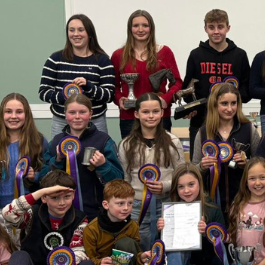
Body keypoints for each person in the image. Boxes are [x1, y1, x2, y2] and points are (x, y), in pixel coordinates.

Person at [153, 164, 226, 265]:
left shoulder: (213, 210)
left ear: (199, 183)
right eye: (181, 186)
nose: (186, 190)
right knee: (176, 249)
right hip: (176, 263)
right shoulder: (169, 210)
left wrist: (207, 234)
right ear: (176, 188)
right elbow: (161, 251)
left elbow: (221, 251)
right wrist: (162, 232)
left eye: (191, 184)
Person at [117, 93, 185, 250]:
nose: (151, 116)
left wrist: (165, 185)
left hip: (166, 202)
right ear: (136, 114)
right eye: (145, 112)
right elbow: (126, 178)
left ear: (162, 113)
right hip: (137, 205)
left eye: (155, 111)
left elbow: (181, 174)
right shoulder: (126, 144)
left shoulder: (173, 142)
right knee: (140, 246)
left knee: (169, 246)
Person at [183, 9, 252, 155]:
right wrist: (191, 107)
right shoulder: (196, 55)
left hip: (233, 124)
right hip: (200, 122)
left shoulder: (240, 55)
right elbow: (187, 88)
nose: (216, 31)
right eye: (211, 27)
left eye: (220, 27)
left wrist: (231, 103)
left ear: (228, 28)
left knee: (234, 163)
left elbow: (247, 90)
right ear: (205, 29)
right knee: (200, 165)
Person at [46, 94, 123, 221]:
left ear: (90, 114)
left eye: (82, 112)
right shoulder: (56, 142)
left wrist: (104, 165)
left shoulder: (104, 141)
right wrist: (57, 161)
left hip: (96, 213)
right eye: (72, 112)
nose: (77, 117)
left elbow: (119, 180)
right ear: (65, 114)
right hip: (61, 213)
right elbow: (44, 178)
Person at [82, 179, 150, 265]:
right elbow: (88, 260)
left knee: (126, 243)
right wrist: (100, 264)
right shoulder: (91, 229)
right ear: (106, 205)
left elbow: (134, 255)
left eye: (130, 203)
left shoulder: (132, 226)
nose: (126, 208)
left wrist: (141, 257)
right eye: (120, 203)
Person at [39, 14, 114, 137]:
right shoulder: (55, 59)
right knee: (58, 150)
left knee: (97, 150)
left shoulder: (103, 61)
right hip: (62, 122)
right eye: (71, 30)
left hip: (95, 122)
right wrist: (66, 97)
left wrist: (89, 86)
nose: (76, 34)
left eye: (81, 30)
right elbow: (43, 92)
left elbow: (109, 95)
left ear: (89, 33)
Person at [111, 10, 183, 139]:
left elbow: (177, 82)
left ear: (151, 28)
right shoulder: (118, 55)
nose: (140, 29)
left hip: (159, 116)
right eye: (136, 25)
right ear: (130, 29)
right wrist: (119, 99)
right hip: (130, 117)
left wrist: (165, 99)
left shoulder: (165, 52)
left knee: (161, 151)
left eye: (145, 25)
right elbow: (114, 86)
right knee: (131, 152)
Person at [193, 83, 261, 218]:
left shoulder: (249, 129)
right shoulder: (202, 133)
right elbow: (193, 171)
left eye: (233, 103)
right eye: (224, 103)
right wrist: (202, 166)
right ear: (214, 104)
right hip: (210, 204)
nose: (230, 109)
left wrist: (247, 164)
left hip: (244, 201)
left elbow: (261, 166)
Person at [0, 93, 49, 212]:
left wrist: (35, 176)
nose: (13, 116)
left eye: (19, 112)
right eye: (8, 111)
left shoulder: (39, 141)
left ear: (27, 115)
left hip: (29, 207)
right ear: (1, 114)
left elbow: (49, 175)